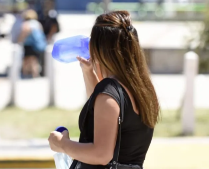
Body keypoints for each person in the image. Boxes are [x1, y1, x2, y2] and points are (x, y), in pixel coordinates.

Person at [48, 11, 160, 169]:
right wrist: (88, 71)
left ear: (99, 48)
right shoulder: (143, 88)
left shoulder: (109, 91)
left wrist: (61, 144)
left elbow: (101, 154)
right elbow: (103, 110)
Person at [18, 9, 47, 78]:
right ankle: (35, 74)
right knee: (34, 60)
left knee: (26, 60)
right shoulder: (37, 23)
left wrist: (19, 40)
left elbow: (24, 32)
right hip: (37, 45)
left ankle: (25, 75)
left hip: (29, 44)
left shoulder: (27, 23)